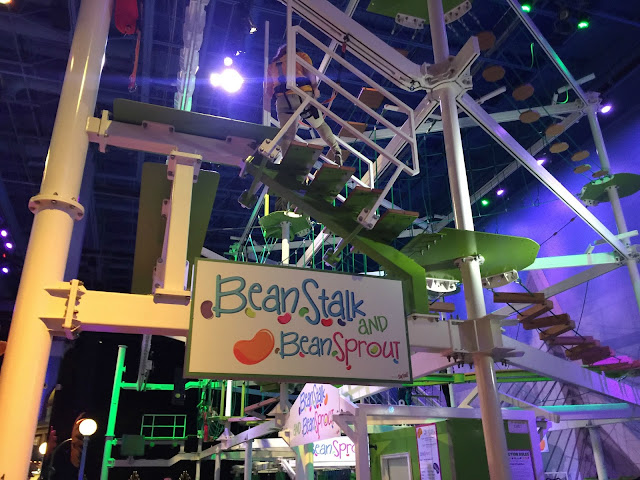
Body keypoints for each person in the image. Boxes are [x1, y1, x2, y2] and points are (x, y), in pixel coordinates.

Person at [264, 45, 342, 165]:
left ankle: (286, 163)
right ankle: (336, 151)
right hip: (303, 95)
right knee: (319, 125)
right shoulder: (301, 56)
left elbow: (268, 91)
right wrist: (315, 88)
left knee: (287, 136)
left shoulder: (271, 66)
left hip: (283, 100)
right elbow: (310, 73)